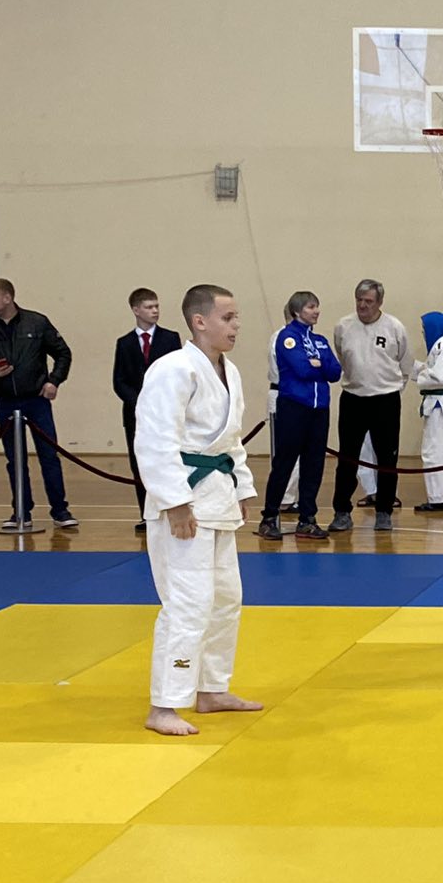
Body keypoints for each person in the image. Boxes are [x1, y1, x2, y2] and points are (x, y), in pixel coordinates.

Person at [136, 284, 261, 737]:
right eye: (228, 318)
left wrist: (242, 486)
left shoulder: (230, 371)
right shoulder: (172, 369)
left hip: (217, 498)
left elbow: (231, 441)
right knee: (188, 604)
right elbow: (155, 440)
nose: (236, 325)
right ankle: (164, 705)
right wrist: (174, 502)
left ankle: (211, 689)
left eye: (236, 317)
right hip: (185, 501)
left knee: (226, 600)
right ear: (199, 321)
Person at [0, 278, 77, 532]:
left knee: (49, 456)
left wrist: (54, 381)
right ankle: (21, 511)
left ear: (7, 298)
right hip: (4, 402)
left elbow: (63, 353)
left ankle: (60, 510)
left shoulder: (37, 322)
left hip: (36, 400)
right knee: (14, 459)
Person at [258, 291, 340, 540]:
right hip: (294, 406)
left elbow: (335, 372)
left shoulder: (320, 340)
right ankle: (269, 517)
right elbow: (302, 370)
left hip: (319, 409)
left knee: (314, 464)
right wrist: (319, 365)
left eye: (317, 306)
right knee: (284, 463)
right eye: (310, 307)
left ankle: (307, 518)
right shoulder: (287, 337)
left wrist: (318, 364)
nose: (316, 311)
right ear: (296, 311)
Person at [330, 279, 410, 533]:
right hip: (353, 398)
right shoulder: (343, 326)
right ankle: (342, 512)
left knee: (387, 458)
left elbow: (405, 364)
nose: (363, 305)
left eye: (368, 301)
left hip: (386, 400)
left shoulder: (394, 327)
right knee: (347, 458)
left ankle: (384, 511)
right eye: (359, 300)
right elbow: (342, 357)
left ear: (380, 302)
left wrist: (389, 388)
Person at [112, 288, 181, 533]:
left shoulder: (170, 338)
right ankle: (146, 514)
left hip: (166, 410)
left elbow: (176, 374)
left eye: (156, 306)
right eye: (149, 307)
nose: (155, 311)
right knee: (140, 463)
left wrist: (159, 401)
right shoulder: (124, 343)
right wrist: (140, 402)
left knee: (167, 460)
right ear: (136, 310)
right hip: (136, 413)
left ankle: (170, 509)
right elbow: (119, 381)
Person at [412, 311, 443, 512]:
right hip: (438, 405)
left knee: (434, 452)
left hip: (439, 405)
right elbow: (428, 370)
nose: (423, 333)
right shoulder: (438, 350)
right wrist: (411, 367)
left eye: (424, 328)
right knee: (442, 452)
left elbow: (439, 377)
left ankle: (437, 498)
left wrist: (421, 375)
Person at [265, 302, 300, 516]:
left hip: (298, 396)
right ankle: (283, 499)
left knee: (299, 453)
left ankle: (289, 497)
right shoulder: (285, 338)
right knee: (285, 451)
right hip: (284, 395)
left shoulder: (301, 338)